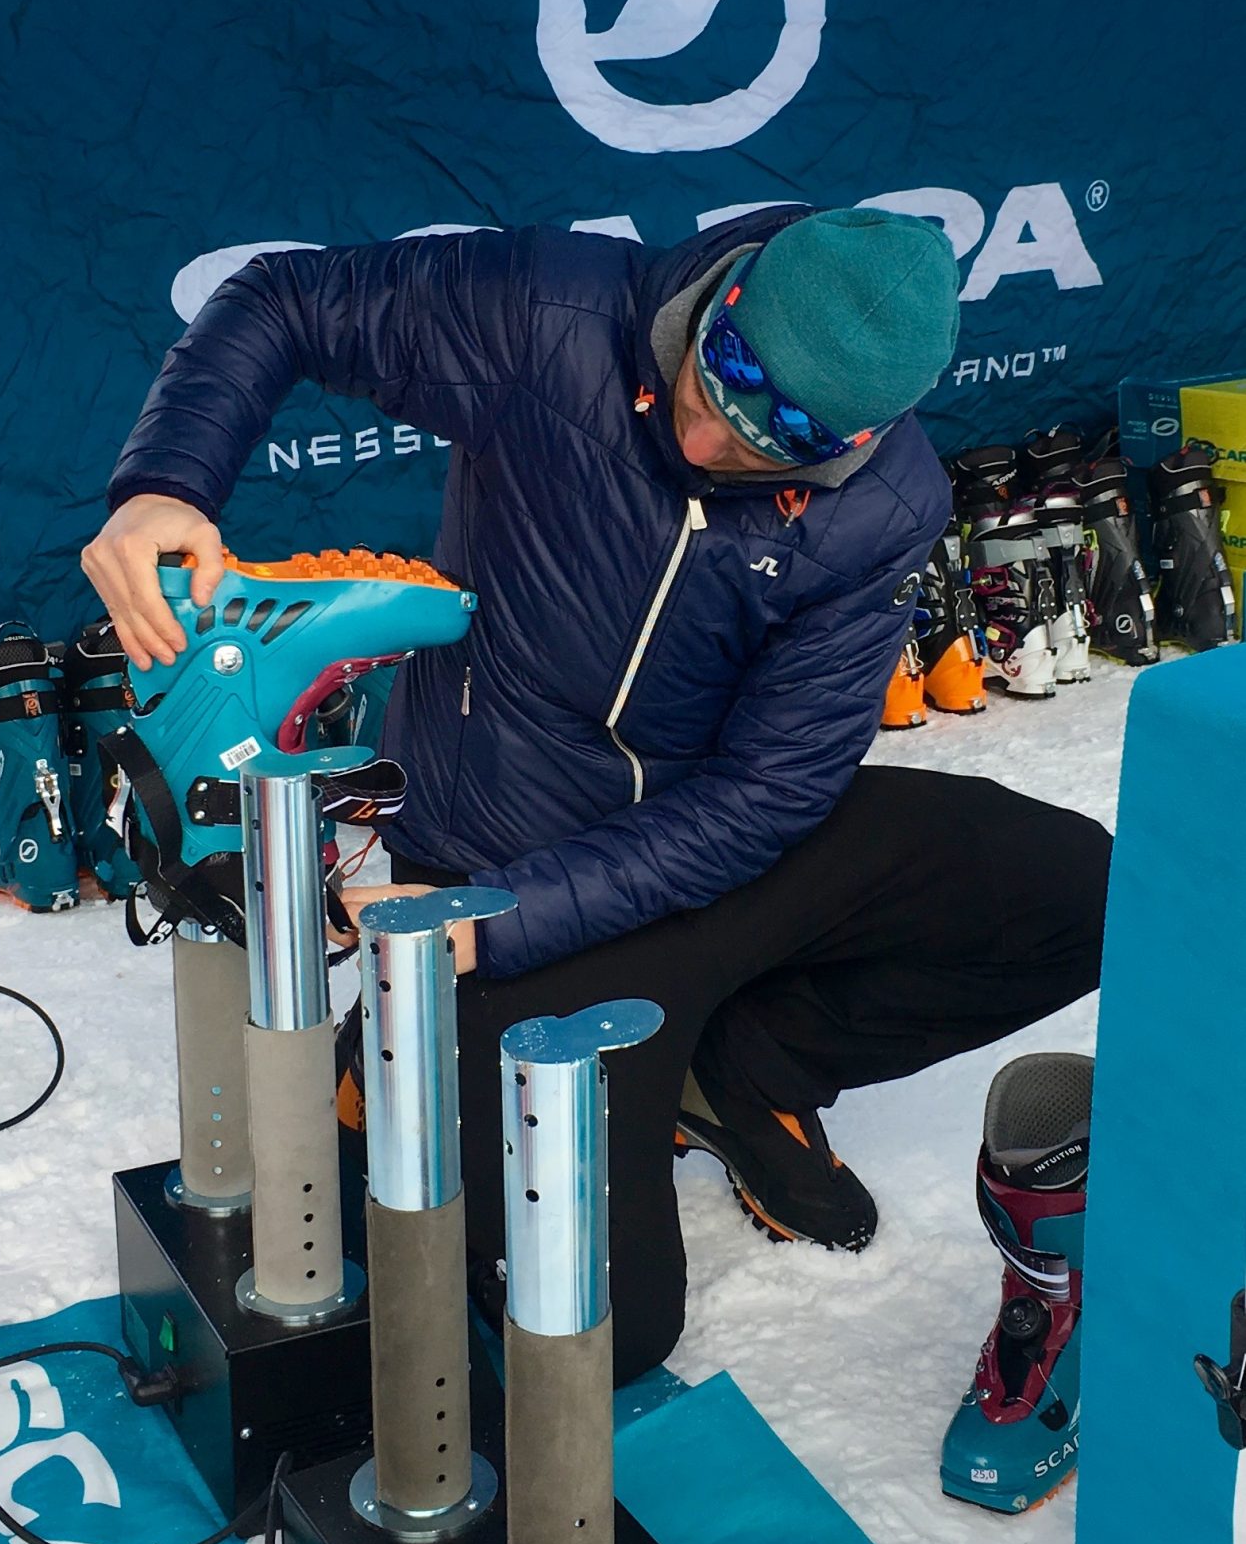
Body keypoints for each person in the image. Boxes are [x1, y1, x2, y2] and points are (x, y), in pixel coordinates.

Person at [84, 206, 1110, 1386]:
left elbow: (771, 792)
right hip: (482, 883)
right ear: (726, 295)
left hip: (693, 860)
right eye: (725, 371)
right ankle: (411, 1057)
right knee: (616, 1329)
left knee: (1086, 891)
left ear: (862, 439)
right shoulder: (556, 315)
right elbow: (282, 298)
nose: (716, 436)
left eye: (784, 434)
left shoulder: (883, 509)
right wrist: (164, 484)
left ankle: (741, 1063)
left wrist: (540, 908)